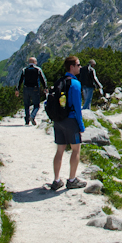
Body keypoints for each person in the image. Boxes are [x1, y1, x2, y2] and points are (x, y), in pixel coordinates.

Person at [50, 56, 87, 191]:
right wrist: (81, 125)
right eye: (78, 64)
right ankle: (72, 180)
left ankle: (56, 180)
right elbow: (78, 107)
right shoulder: (75, 84)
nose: (80, 67)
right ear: (71, 67)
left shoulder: (59, 81)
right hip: (71, 121)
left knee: (59, 150)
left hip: (58, 120)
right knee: (76, 150)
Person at [15, 57, 47, 126]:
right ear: (35, 62)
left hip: (26, 89)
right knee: (36, 105)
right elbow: (42, 79)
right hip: (35, 89)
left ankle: (27, 120)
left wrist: (17, 89)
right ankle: (32, 116)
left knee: (26, 105)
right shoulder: (38, 69)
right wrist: (45, 87)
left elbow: (20, 80)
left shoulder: (24, 70)